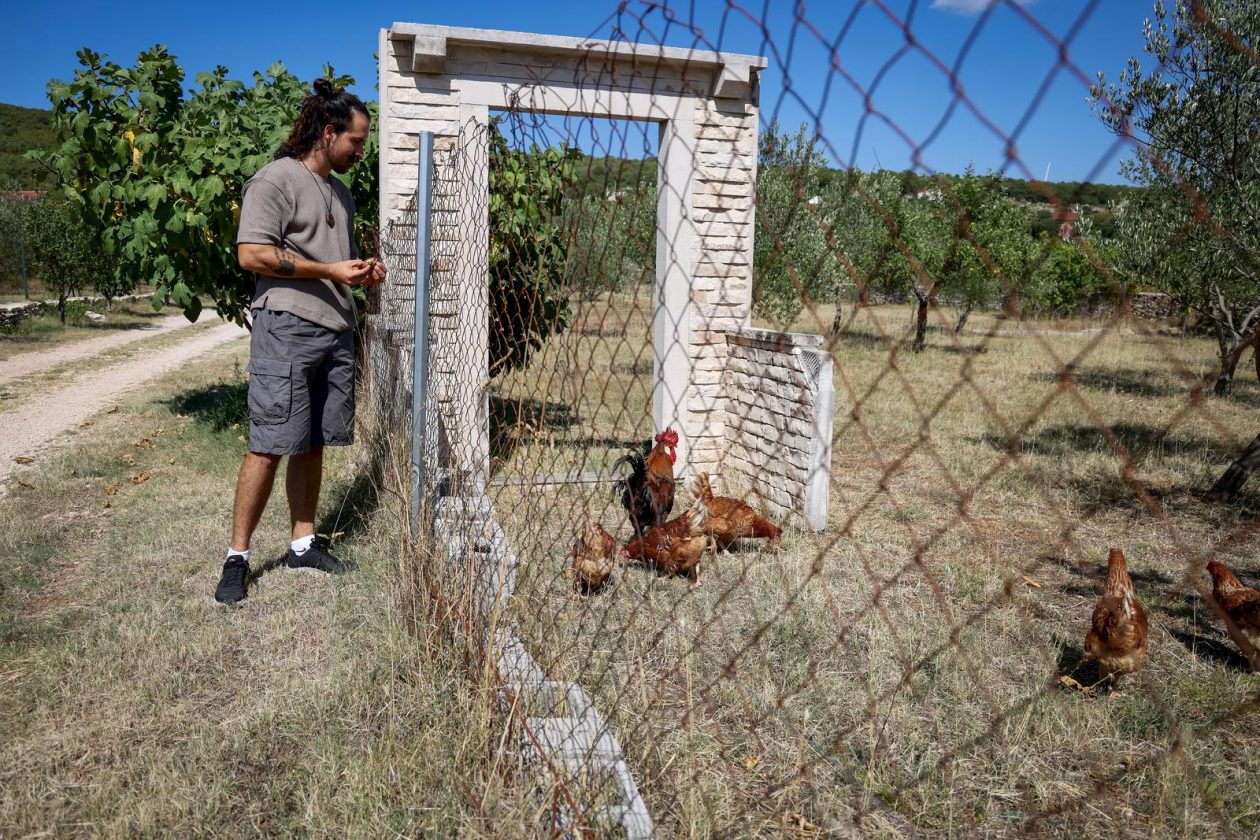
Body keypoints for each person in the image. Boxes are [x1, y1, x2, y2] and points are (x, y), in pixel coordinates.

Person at [214, 79, 386, 605]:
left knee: (312, 441)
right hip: (286, 327)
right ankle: (238, 558)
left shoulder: (341, 192)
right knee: (268, 443)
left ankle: (302, 543)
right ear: (328, 132)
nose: (361, 151)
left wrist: (360, 271)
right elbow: (252, 255)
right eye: (356, 141)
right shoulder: (274, 180)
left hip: (335, 330)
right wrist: (329, 269)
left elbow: (335, 258)